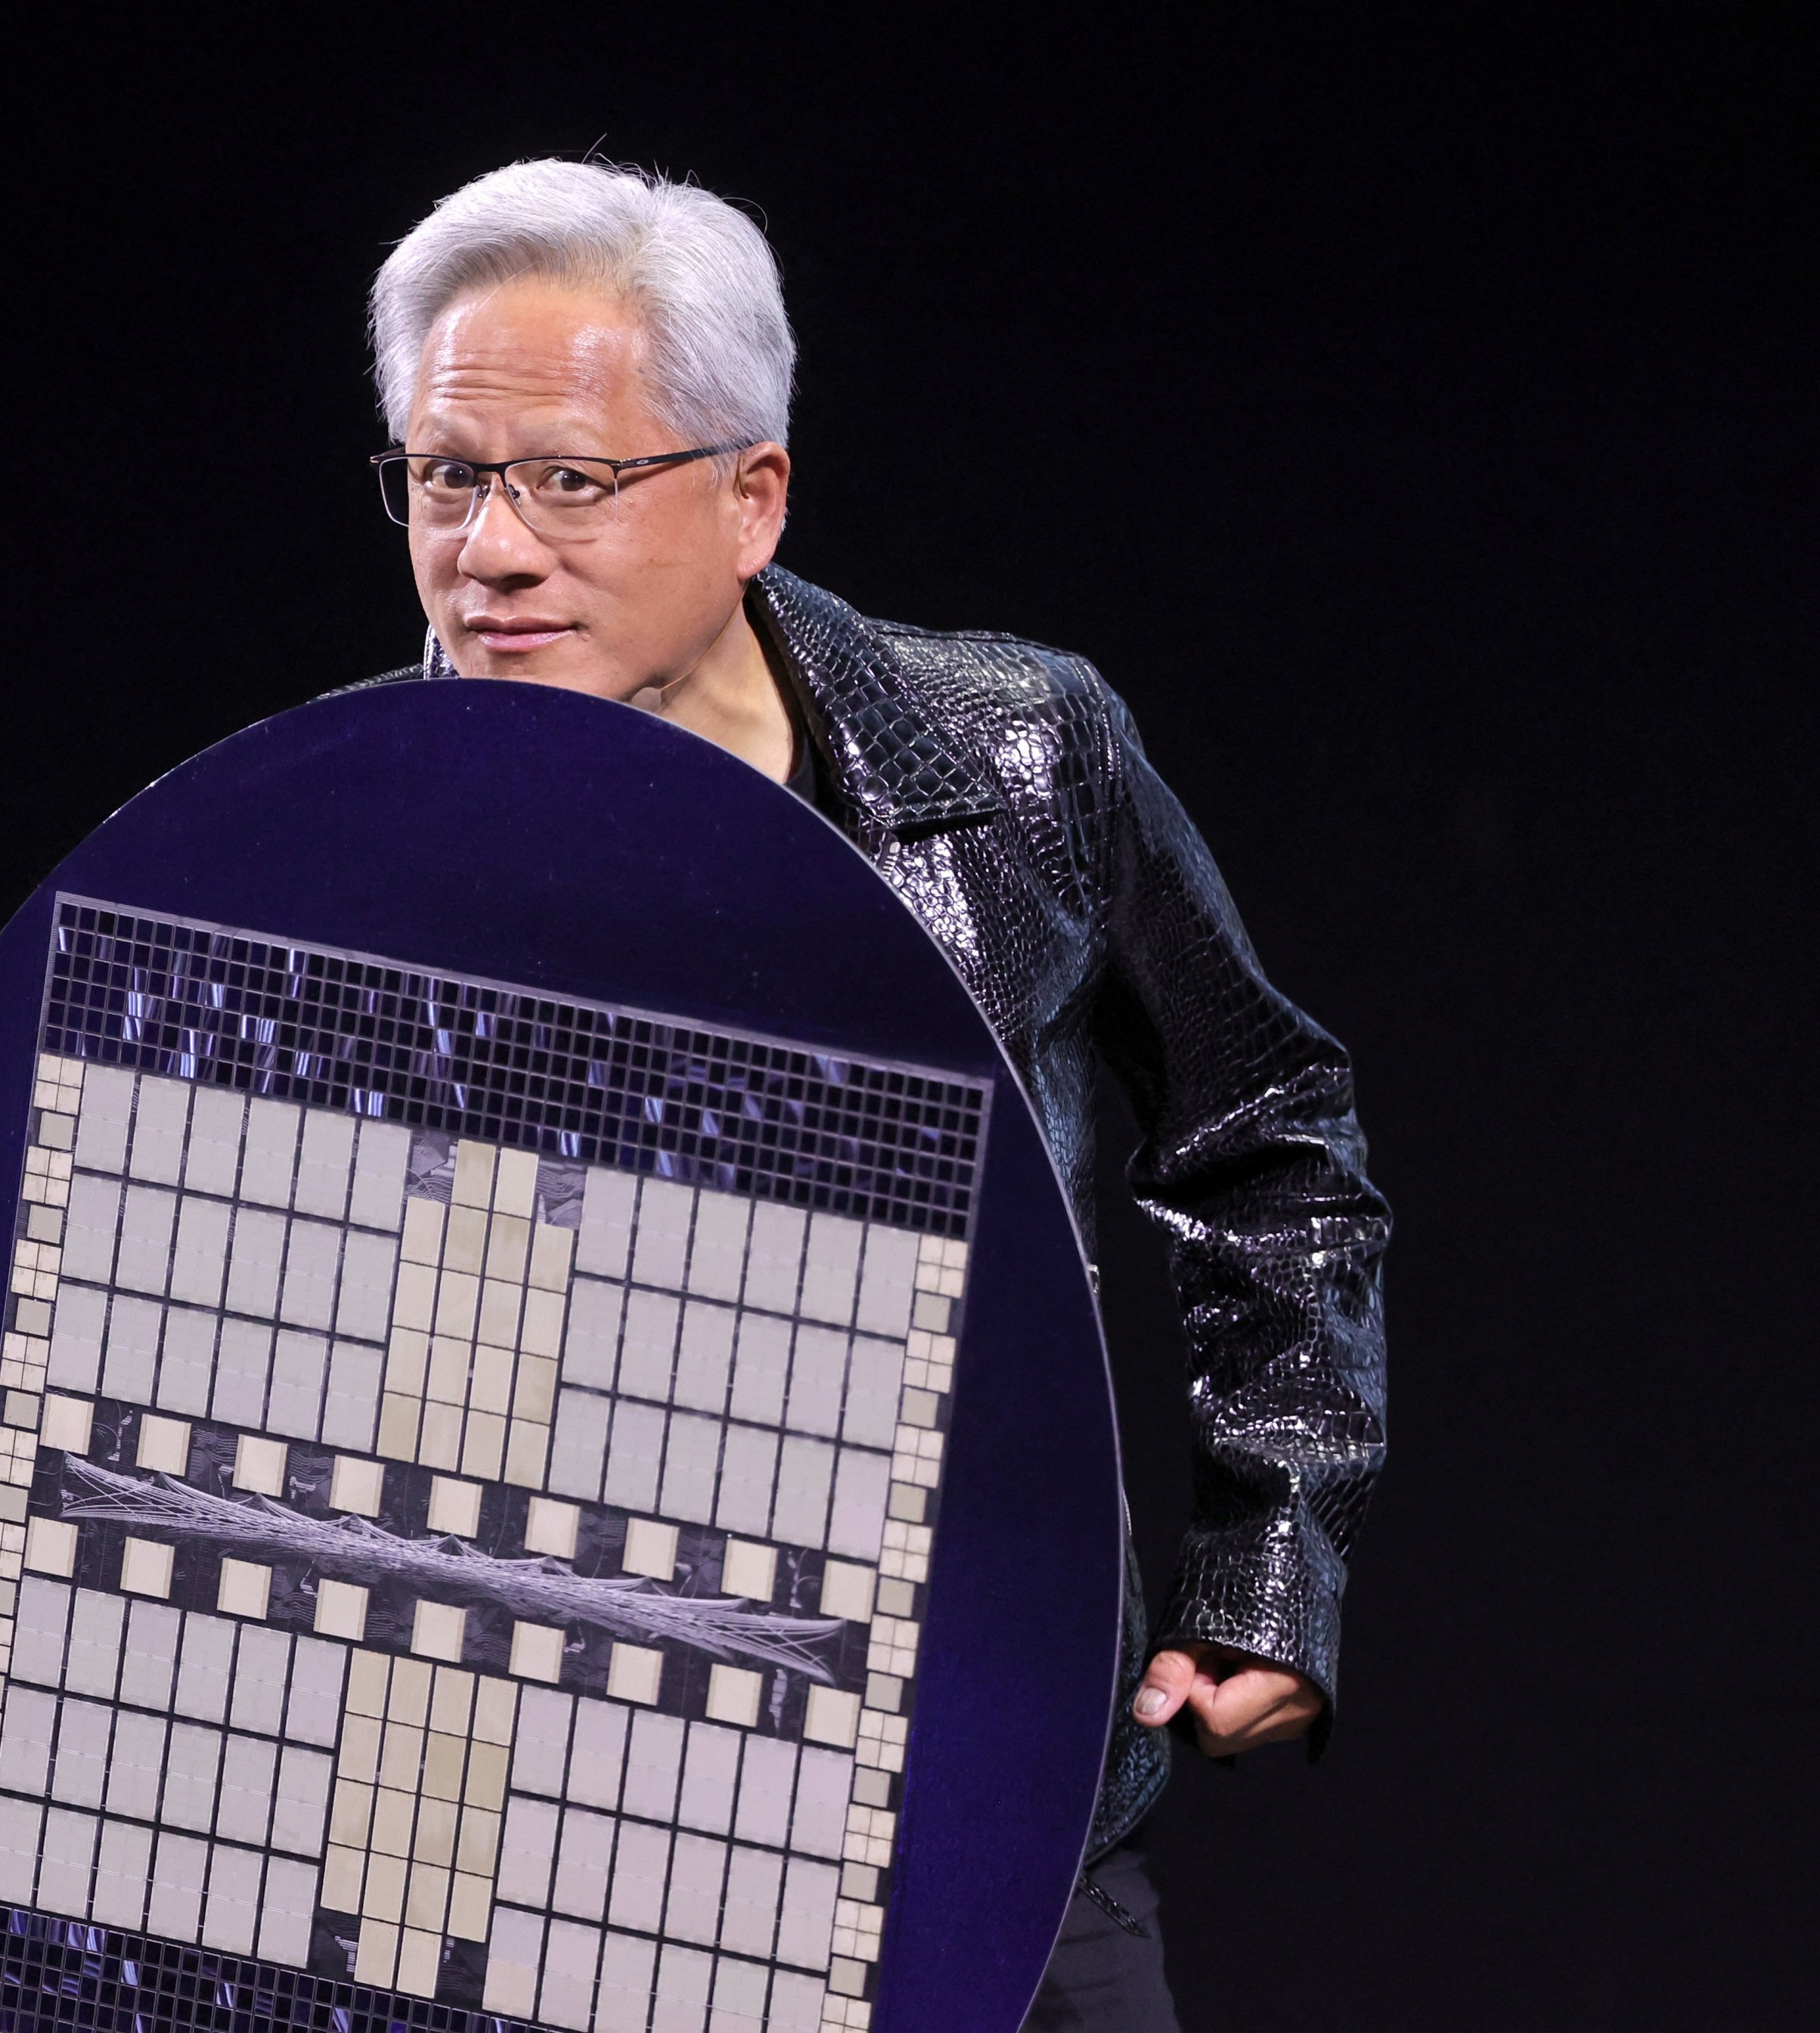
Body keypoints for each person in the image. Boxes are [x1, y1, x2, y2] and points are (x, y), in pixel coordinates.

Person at [342, 159, 1391, 2031]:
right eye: (444, 474)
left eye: (567, 480)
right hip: (525, 1884)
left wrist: (1267, 1570)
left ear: (750, 497)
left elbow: (1269, 1136)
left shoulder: (1012, 756)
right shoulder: (313, 861)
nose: (488, 547)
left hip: (988, 1828)